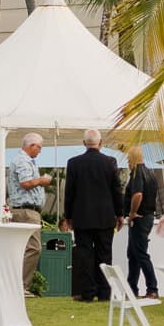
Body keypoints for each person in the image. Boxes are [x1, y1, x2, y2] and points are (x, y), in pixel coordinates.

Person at [63, 128, 124, 301]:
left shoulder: (74, 163)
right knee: (105, 254)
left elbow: (70, 192)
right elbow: (116, 190)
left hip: (82, 217)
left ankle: (87, 292)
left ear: (84, 143)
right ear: (101, 143)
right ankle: (105, 292)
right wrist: (120, 214)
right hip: (105, 217)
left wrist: (68, 216)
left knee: (85, 254)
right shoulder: (110, 162)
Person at [6, 132, 51, 287]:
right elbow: (25, 183)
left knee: (23, 248)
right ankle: (20, 284)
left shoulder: (26, 161)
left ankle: (17, 284)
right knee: (34, 248)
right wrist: (42, 180)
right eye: (39, 147)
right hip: (26, 211)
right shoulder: (22, 160)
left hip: (27, 210)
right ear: (32, 146)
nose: (40, 151)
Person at [123, 145, 160, 298]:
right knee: (133, 253)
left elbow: (138, 194)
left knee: (140, 253)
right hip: (148, 216)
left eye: (128, 159)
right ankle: (131, 288)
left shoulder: (137, 173)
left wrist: (132, 212)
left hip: (140, 217)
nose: (127, 163)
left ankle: (152, 288)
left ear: (132, 158)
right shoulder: (150, 173)